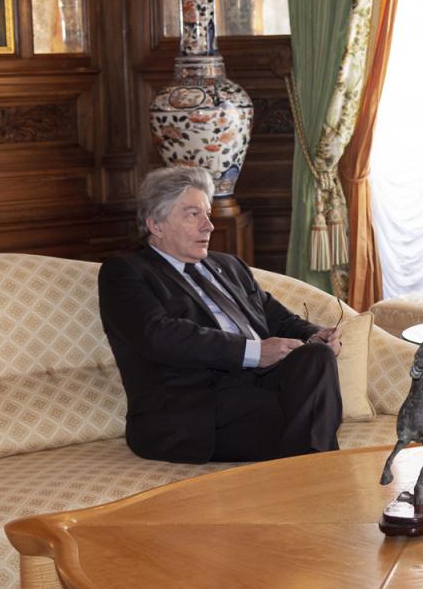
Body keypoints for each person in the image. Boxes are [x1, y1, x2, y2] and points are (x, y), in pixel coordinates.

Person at [98, 166, 343, 464]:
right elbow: (158, 335)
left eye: (208, 214)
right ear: (156, 225)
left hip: (257, 387)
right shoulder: (126, 272)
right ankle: (321, 471)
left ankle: (311, 474)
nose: (209, 226)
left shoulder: (228, 266)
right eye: (193, 215)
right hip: (195, 407)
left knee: (317, 356)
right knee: (304, 418)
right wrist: (255, 352)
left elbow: (277, 317)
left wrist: (312, 334)